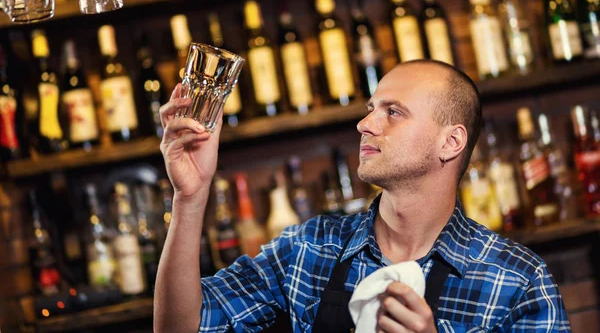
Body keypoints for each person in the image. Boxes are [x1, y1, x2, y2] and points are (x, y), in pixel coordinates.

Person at [154, 60, 570, 333]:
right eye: (371, 108)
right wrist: (190, 198)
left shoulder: (518, 281)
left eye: (393, 111)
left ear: (451, 142)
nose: (365, 124)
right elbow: (180, 328)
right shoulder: (309, 249)